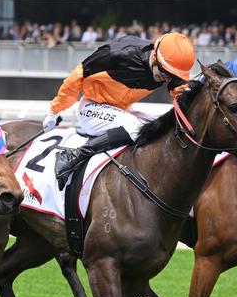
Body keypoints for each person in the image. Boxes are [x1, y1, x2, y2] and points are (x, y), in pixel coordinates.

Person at [42, 32, 196, 190]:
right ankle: (74, 156)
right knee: (137, 128)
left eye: (171, 77)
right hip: (91, 108)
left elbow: (179, 92)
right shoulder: (117, 55)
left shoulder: (170, 68)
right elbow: (74, 80)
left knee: (159, 126)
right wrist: (54, 111)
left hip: (121, 109)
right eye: (164, 74)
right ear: (155, 56)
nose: (166, 80)